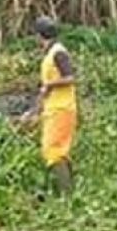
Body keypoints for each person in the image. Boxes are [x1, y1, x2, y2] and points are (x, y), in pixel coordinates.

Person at [33, 16, 77, 195]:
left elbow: (71, 78)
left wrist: (50, 85)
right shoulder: (51, 53)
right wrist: (36, 109)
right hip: (54, 108)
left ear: (39, 35)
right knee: (53, 149)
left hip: (62, 109)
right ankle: (66, 187)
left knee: (54, 150)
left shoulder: (59, 53)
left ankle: (67, 196)